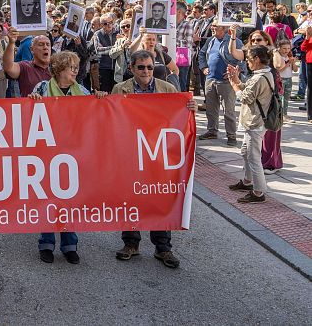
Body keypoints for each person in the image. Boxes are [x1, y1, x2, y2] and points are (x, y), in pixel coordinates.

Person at [112, 50, 197, 269]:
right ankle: (131, 243)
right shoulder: (120, 90)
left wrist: (190, 109)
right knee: (130, 197)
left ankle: (163, 247)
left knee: (159, 197)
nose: (146, 71)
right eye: (141, 67)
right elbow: (111, 119)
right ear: (131, 68)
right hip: (130, 152)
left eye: (150, 67)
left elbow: (179, 117)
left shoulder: (167, 89)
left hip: (158, 153)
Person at [29, 51, 107, 264]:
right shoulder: (42, 89)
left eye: (76, 67)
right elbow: (29, 116)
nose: (75, 70)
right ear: (60, 68)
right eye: (71, 67)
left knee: (69, 198)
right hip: (47, 152)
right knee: (48, 198)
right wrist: (32, 102)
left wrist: (99, 100)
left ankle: (69, 244)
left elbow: (94, 117)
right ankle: (46, 243)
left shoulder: (81, 91)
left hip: (73, 153)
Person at [226, 46, 276, 203]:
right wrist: (236, 81)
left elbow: (245, 98)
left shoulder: (259, 78)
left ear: (257, 60)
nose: (247, 62)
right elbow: (250, 91)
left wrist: (235, 85)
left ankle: (258, 192)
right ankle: (248, 182)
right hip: (255, 121)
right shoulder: (265, 75)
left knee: (254, 157)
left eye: (248, 59)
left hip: (254, 122)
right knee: (245, 152)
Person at [197, 21, 242, 146]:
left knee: (229, 111)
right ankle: (212, 131)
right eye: (212, 25)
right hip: (210, 79)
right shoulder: (210, 40)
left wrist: (234, 73)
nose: (212, 27)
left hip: (226, 82)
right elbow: (201, 54)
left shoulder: (235, 41)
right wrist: (203, 67)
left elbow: (242, 59)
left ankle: (231, 136)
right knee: (211, 109)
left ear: (224, 27)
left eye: (215, 26)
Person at [92, 15, 119, 92]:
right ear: (101, 25)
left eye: (110, 22)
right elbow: (99, 50)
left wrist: (107, 49)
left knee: (116, 92)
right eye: (105, 23)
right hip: (104, 68)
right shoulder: (97, 34)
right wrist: (115, 48)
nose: (109, 25)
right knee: (105, 92)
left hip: (117, 68)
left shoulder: (118, 32)